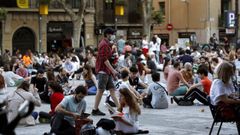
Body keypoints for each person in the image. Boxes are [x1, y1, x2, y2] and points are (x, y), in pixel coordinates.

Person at [92, 27, 120, 116]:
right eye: (112, 34)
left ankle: (120, 108)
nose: (113, 36)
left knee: (112, 89)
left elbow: (108, 58)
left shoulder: (107, 44)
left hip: (106, 71)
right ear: (108, 34)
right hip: (103, 71)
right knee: (100, 90)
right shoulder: (104, 44)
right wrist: (113, 71)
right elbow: (104, 60)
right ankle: (95, 109)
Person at [210, 62, 240, 134]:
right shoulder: (218, 83)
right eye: (230, 72)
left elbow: (232, 94)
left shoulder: (227, 82)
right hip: (221, 110)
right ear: (226, 72)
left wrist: (235, 96)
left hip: (228, 106)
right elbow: (225, 100)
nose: (232, 74)